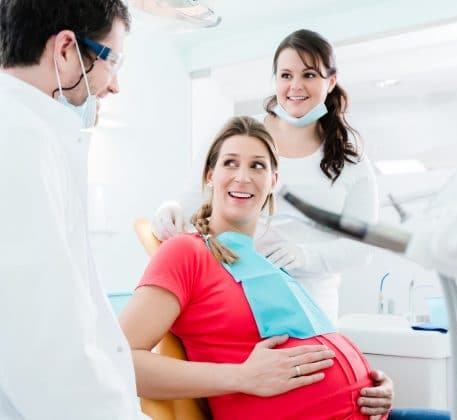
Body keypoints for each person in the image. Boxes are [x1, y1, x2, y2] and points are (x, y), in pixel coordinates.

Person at [151, 28, 393, 415]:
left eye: (309, 75)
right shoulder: (248, 136)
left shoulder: (349, 159)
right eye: (285, 75)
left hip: (312, 297)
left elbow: (364, 245)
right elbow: (195, 192)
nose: (295, 86)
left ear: (330, 82)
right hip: (240, 291)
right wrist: (169, 210)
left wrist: (304, 256)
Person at [121, 116, 391, 419]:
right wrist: (241, 377)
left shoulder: (267, 266)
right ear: (210, 175)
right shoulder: (188, 251)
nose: (243, 177)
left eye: (257, 166)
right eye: (231, 163)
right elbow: (118, 359)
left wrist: (370, 380)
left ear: (273, 181)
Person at [0, 1, 148, 418]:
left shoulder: (26, 133)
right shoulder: (21, 140)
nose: (113, 85)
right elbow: (46, 349)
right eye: (112, 61)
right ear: (66, 49)